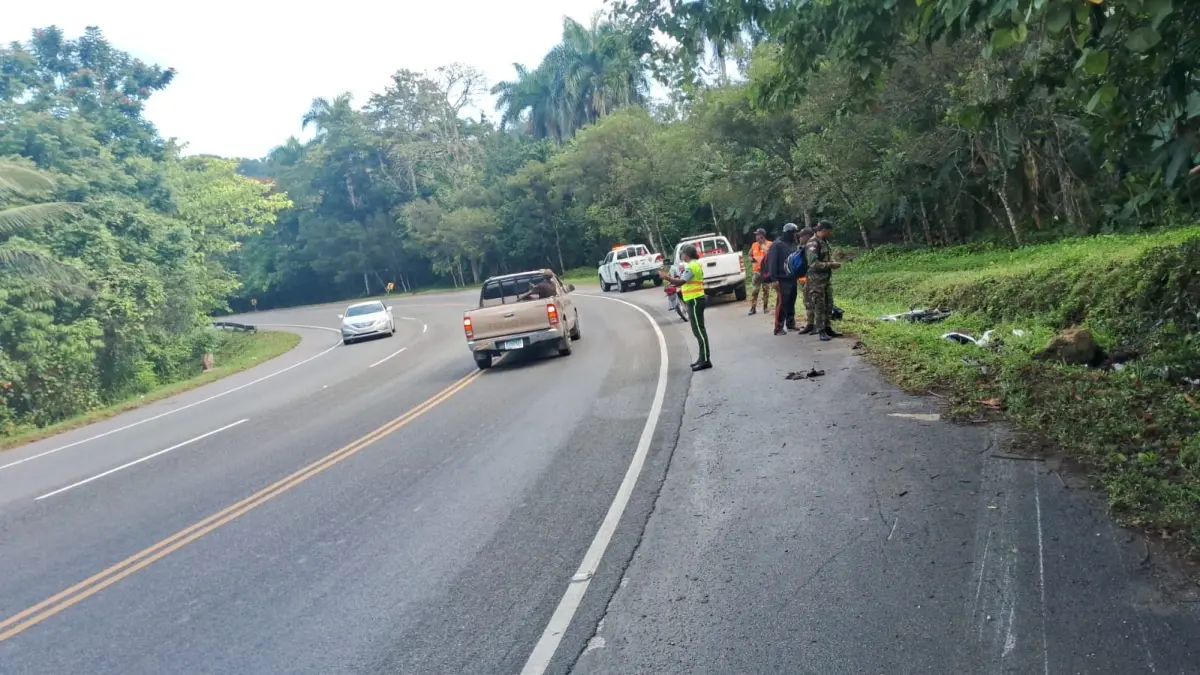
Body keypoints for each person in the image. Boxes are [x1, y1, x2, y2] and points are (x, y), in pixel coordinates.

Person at [660, 244, 712, 371]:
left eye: (682, 253)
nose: (681, 255)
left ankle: (705, 360)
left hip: (695, 300)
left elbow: (682, 282)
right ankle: (702, 358)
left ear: (687, 255)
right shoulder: (695, 264)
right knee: (699, 330)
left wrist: (666, 277)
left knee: (699, 331)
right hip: (696, 298)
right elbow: (684, 280)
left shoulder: (691, 266)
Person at [804, 220, 842, 341]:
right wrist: (830, 265)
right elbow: (813, 263)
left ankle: (828, 327)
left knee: (828, 303)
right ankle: (821, 330)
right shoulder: (813, 243)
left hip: (825, 280)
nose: (830, 234)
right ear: (824, 230)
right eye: (829, 231)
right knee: (819, 305)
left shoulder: (824, 241)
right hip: (816, 281)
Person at [764, 222, 799, 335]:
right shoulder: (777, 245)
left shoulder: (793, 244)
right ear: (788, 233)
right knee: (782, 302)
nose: (795, 235)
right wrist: (774, 279)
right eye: (793, 233)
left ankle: (790, 323)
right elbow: (772, 262)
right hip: (781, 278)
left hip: (792, 277)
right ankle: (778, 327)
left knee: (791, 301)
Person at [795, 227, 816, 335]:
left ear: (807, 237)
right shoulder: (803, 247)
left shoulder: (812, 247)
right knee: (807, 301)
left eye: (801, 236)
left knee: (813, 302)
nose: (799, 238)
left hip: (813, 280)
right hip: (805, 279)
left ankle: (815, 324)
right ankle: (810, 324)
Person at [747, 228, 773, 315]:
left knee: (766, 290)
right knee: (755, 291)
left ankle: (765, 307)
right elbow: (749, 254)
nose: (756, 237)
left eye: (757, 235)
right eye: (756, 235)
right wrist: (751, 259)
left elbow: (771, 253)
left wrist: (762, 245)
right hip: (757, 272)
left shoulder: (769, 244)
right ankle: (753, 308)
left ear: (762, 236)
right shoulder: (754, 245)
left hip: (766, 272)